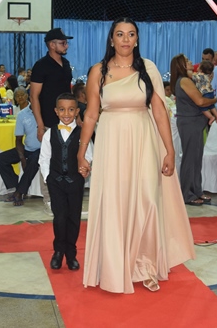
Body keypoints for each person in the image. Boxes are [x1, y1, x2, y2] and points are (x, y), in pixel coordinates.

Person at [78, 18, 195, 294]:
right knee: (115, 204)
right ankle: (115, 268)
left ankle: (146, 266)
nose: (125, 39)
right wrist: (82, 153)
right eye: (120, 34)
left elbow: (159, 111)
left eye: (131, 34)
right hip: (111, 141)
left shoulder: (148, 69)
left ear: (137, 39)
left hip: (143, 140)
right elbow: (91, 114)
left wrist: (170, 150)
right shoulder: (98, 71)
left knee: (149, 201)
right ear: (111, 39)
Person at [39, 93, 92, 271]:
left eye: (71, 110)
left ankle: (71, 254)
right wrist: (48, 177)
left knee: (73, 218)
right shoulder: (49, 133)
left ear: (77, 111)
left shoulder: (83, 134)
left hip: (75, 182)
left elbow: (88, 156)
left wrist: (85, 168)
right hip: (55, 182)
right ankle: (58, 252)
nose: (66, 114)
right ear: (56, 111)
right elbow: (44, 158)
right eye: (62, 110)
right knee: (60, 218)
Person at [170, 54, 217, 206]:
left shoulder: (186, 80)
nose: (190, 62)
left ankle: (196, 190)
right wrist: (214, 99)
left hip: (194, 122)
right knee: (190, 159)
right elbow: (201, 101)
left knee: (196, 158)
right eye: (187, 61)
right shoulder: (184, 81)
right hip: (190, 122)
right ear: (181, 65)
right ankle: (187, 194)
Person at [0, 87, 40, 206]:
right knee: (0, 159)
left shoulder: (45, 113)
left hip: (42, 149)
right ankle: (16, 187)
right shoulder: (22, 114)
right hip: (27, 148)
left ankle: (20, 192)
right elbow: (18, 139)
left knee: (34, 160)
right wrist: (22, 158)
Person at [30, 28, 74, 141]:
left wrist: (76, 115)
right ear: (52, 45)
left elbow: (69, 92)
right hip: (49, 120)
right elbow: (34, 96)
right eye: (63, 43)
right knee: (52, 150)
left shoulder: (66, 63)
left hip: (68, 118)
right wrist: (40, 125)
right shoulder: (41, 66)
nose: (66, 46)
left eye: (66, 43)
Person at [191, 60, 217, 125]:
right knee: (212, 106)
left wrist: (191, 73)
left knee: (203, 107)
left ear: (201, 70)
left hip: (205, 93)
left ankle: (211, 117)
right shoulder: (208, 76)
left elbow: (192, 76)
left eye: (199, 66)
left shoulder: (200, 76)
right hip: (211, 92)